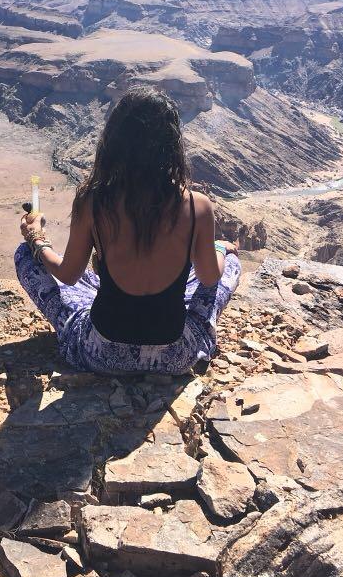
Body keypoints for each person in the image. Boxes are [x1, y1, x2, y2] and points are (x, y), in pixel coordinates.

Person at [14, 86, 241, 375]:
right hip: (174, 356)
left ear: (114, 142)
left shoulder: (93, 201)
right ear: (172, 144)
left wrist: (36, 238)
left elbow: (69, 274)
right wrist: (220, 249)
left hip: (102, 354)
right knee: (229, 264)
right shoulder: (198, 206)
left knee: (26, 255)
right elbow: (210, 277)